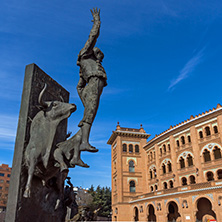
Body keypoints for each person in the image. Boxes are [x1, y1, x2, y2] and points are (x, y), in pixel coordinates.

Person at [77, 8, 107, 152]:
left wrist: (85, 100)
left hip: (95, 87)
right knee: (90, 113)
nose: (101, 56)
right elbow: (93, 36)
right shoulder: (86, 55)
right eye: (99, 53)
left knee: (91, 112)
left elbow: (79, 86)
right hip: (94, 83)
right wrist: (97, 21)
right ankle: (84, 143)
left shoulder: (86, 67)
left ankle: (82, 142)